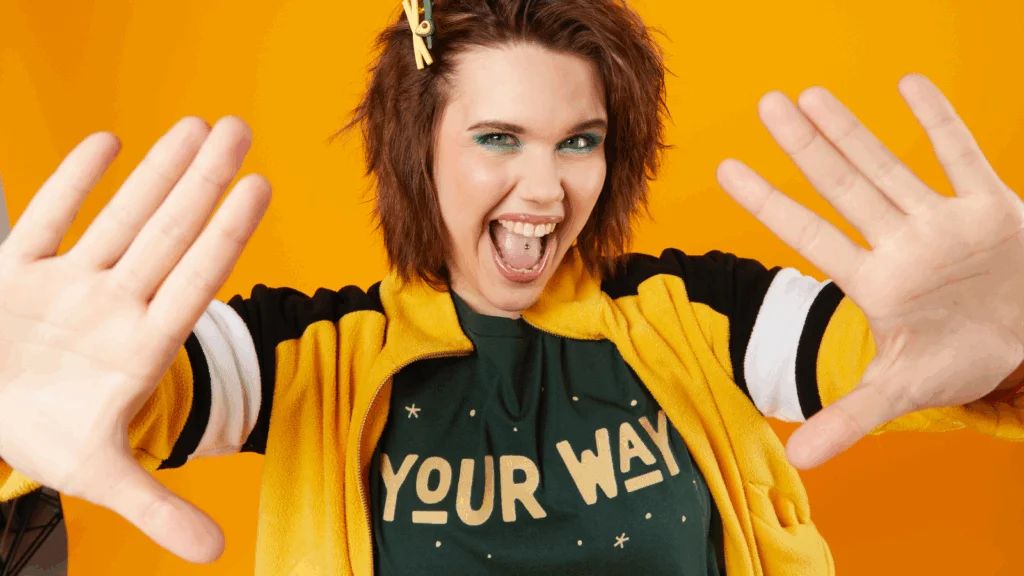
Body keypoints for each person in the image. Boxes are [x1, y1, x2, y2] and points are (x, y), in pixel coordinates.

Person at [2, 0, 1023, 574]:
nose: (547, 186)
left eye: (580, 141)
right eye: (498, 138)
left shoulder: (711, 316)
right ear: (416, 154)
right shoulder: (305, 354)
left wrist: (1013, 344)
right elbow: (141, 392)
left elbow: (899, 358)